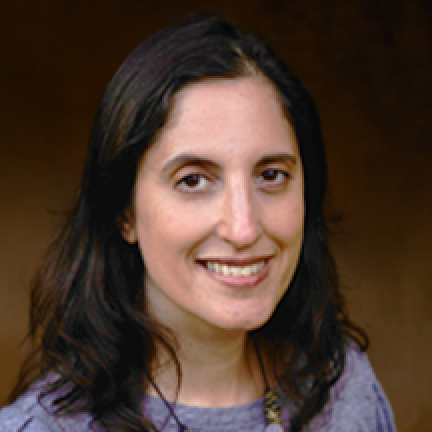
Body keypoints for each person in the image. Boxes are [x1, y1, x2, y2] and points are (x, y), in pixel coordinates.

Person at [0, 14, 396, 431]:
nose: (243, 229)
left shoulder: (343, 387)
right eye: (193, 180)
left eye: (271, 175)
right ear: (124, 212)